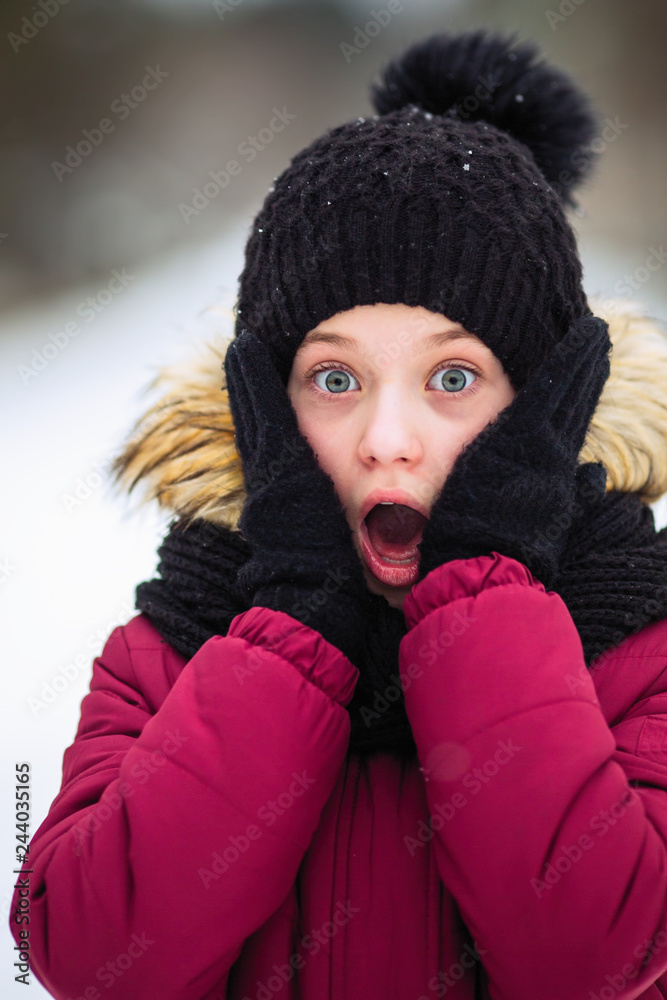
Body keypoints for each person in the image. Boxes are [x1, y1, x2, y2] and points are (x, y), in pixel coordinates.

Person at [12, 28, 667, 1000]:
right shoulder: (173, 647)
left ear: (544, 400)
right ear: (264, 405)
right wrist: (288, 630)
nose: (385, 437)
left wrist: (484, 590)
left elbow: (604, 957)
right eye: (333, 378)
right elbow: (86, 951)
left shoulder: (636, 651)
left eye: (452, 377)